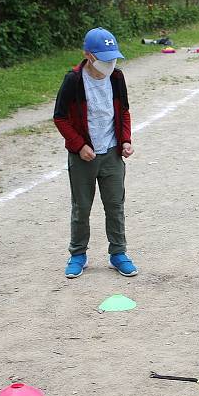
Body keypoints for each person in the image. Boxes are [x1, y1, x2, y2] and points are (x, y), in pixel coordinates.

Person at [53, 27, 138, 279]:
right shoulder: (73, 81)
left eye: (113, 58)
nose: (109, 64)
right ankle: (78, 254)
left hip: (112, 153)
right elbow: (60, 118)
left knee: (115, 205)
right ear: (88, 55)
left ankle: (118, 253)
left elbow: (123, 112)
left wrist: (125, 140)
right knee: (82, 207)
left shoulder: (117, 77)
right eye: (104, 59)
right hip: (83, 157)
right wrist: (79, 145)